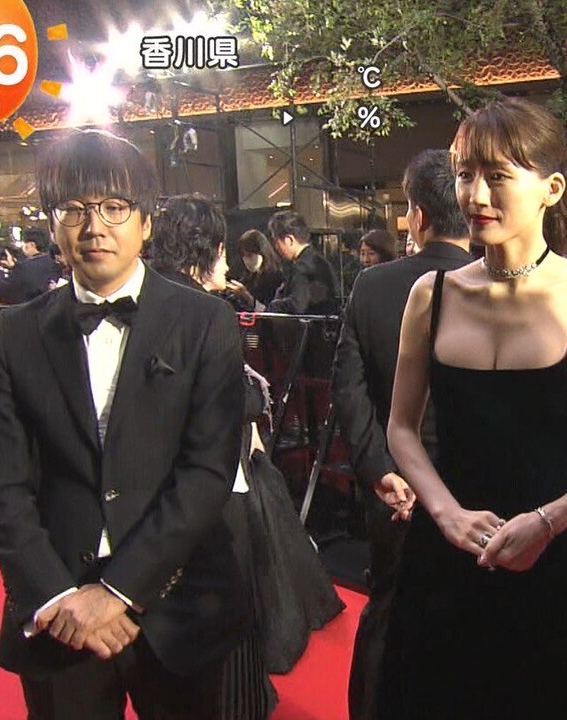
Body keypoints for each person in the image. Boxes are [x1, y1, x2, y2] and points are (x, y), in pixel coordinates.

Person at [0, 130, 252, 719]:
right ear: (53, 226)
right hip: (60, 610)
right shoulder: (13, 334)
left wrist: (119, 591)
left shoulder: (206, 321)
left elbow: (207, 471)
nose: (94, 226)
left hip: (176, 600)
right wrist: (58, 597)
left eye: (114, 207)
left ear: (145, 223)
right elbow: (1, 485)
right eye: (73, 209)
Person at [378, 98, 567, 718]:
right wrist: (446, 514)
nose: (475, 195)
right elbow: (402, 427)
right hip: (449, 556)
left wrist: (549, 521)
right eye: (465, 174)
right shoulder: (431, 294)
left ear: (552, 189)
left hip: (564, 555)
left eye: (497, 176)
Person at [148, 194, 343, 719]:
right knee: (226, 599)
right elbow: (232, 398)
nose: (229, 262)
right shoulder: (204, 310)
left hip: (160, 484)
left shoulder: (150, 298)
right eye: (221, 250)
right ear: (205, 250)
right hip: (213, 475)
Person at [332, 149, 474, 720]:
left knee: (389, 611)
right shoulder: (497, 284)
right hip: (475, 488)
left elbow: (349, 390)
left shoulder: (372, 285)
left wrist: (382, 472)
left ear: (416, 215)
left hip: (395, 491)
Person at [267, 210, 336, 315]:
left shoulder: (302, 266)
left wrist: (274, 305)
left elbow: (297, 305)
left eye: (276, 242)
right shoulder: (321, 261)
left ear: (289, 240)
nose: (276, 247)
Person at [0, 227, 61, 305]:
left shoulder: (24, 267)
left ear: (32, 245)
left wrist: (0, 271)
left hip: (31, 308)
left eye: (24, 243)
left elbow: (6, 291)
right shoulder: (56, 264)